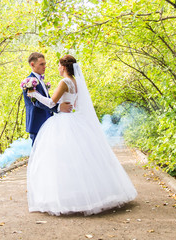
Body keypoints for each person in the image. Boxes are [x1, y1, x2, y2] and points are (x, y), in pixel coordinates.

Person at [26, 55, 137, 216]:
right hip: (74, 119)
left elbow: (51, 103)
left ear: (63, 67)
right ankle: (84, 194)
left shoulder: (64, 82)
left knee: (61, 160)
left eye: (58, 66)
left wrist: (34, 94)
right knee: (77, 159)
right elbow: (74, 104)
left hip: (63, 122)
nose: (56, 68)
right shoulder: (76, 82)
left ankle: (65, 196)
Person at [22, 52, 73, 145]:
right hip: (37, 123)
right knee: (38, 155)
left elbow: (46, 99)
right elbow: (37, 103)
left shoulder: (40, 81)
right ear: (32, 65)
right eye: (41, 64)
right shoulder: (28, 82)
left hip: (48, 121)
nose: (44, 66)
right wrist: (58, 107)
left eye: (45, 64)